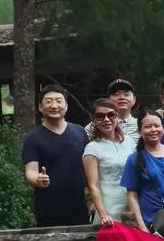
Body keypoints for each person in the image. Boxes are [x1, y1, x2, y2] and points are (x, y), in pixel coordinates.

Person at [21, 85, 89, 227]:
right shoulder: (32, 138)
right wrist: (37, 179)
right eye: (49, 101)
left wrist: (93, 199)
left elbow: (90, 169)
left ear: (66, 106)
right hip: (48, 208)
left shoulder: (80, 132)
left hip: (79, 206)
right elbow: (30, 171)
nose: (54, 105)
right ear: (40, 107)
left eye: (58, 101)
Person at [119, 112, 164, 232]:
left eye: (157, 125)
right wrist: (141, 226)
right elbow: (132, 194)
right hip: (151, 223)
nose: (153, 130)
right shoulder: (134, 159)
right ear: (140, 131)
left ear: (163, 128)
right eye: (148, 126)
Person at [82, 97, 133, 227]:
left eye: (111, 115)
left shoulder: (129, 141)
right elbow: (93, 186)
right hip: (109, 209)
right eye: (100, 116)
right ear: (94, 120)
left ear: (117, 116)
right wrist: (103, 214)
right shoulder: (92, 148)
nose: (106, 119)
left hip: (132, 207)